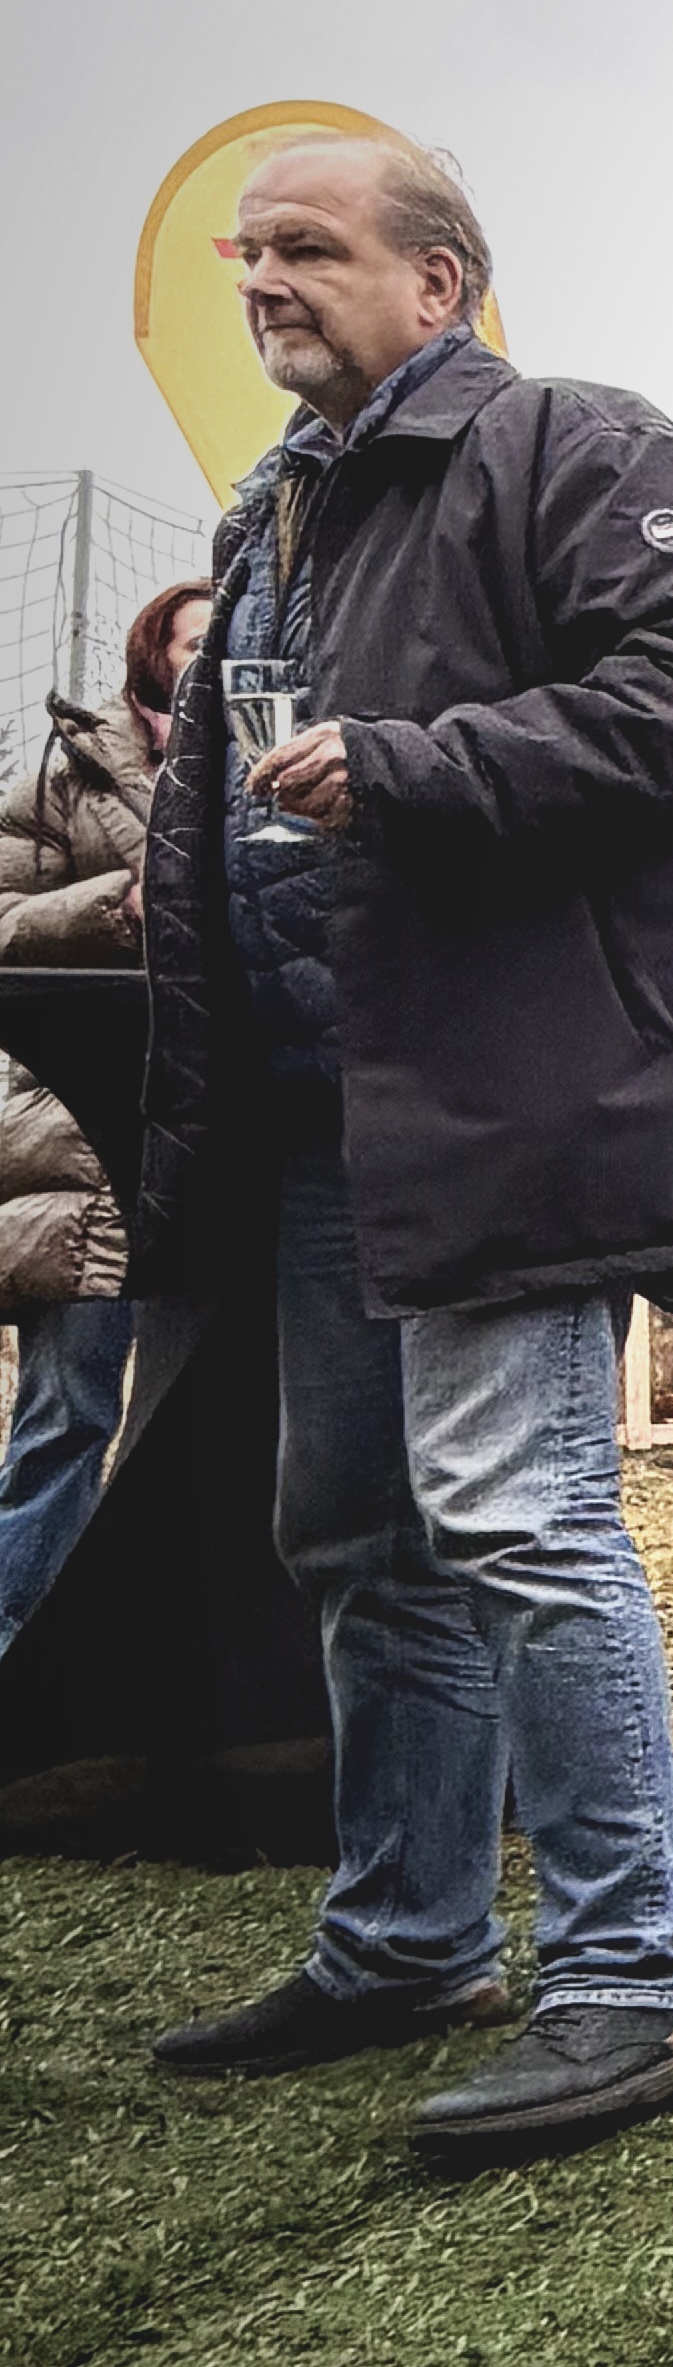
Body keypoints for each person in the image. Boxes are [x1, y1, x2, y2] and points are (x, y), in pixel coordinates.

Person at [132, 131, 673, 2156]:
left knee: (518, 1511)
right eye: (247, 250)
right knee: (354, 1531)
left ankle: (641, 1968)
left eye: (307, 246)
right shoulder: (278, 501)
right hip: (332, 1114)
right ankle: (410, 1935)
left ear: (439, 281)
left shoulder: (567, 445)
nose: (261, 277)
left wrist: (411, 765)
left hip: (511, 1100)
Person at [0, 577, 208, 1651]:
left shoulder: (273, 767)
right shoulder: (68, 773)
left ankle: (143, 1668)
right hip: (80, 1143)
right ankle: (13, 1653)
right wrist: (110, 907)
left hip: (217, 1143)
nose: (213, 656)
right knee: (68, 1414)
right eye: (193, 640)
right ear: (151, 654)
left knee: (197, 1424)